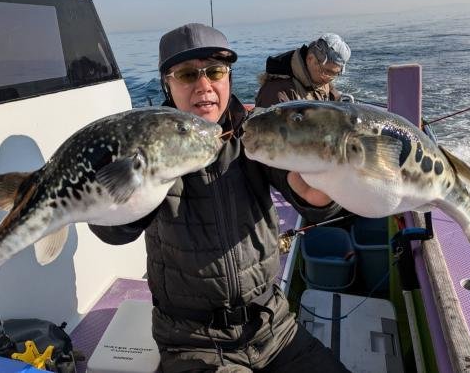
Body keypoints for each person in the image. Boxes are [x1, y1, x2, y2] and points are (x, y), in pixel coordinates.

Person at [89, 23, 349, 372]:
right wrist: (122, 191)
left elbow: (310, 196)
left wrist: (318, 193)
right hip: (193, 341)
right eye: (187, 75)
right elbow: (112, 230)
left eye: (215, 72)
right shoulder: (142, 148)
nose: (204, 86)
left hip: (273, 326)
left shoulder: (256, 132)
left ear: (228, 78)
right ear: (167, 84)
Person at [255, 33, 351, 107]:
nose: (329, 79)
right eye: (327, 71)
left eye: (335, 74)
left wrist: (338, 99)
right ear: (310, 59)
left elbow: (330, 90)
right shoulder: (277, 91)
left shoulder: (320, 78)